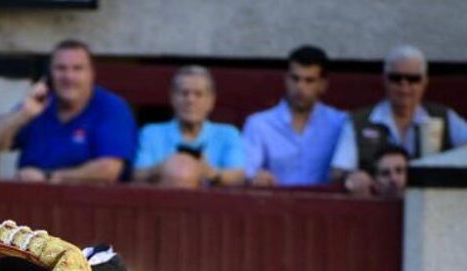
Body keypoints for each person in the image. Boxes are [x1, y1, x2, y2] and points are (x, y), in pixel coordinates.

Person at [0, 39, 137, 183]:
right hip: (30, 204)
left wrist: (49, 176)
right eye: (61, 68)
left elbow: (109, 169)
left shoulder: (110, 108)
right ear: (49, 74)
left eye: (77, 69)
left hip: (89, 206)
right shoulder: (39, 103)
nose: (69, 76)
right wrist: (22, 115)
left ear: (91, 74)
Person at [334, 45, 467, 195]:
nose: (404, 85)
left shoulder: (444, 117)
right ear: (384, 80)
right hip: (377, 207)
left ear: (424, 82)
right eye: (396, 78)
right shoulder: (359, 121)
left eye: (413, 79)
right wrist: (351, 178)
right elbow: (339, 171)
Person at [242, 46, 347, 186]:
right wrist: (256, 177)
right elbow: (247, 171)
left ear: (323, 85)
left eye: (309, 81)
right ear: (286, 79)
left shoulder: (340, 123)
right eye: (295, 79)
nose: (300, 87)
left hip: (325, 206)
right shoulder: (259, 124)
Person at [134, 65, 245, 188]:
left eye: (198, 94)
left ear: (211, 101)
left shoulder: (228, 134)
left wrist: (211, 173)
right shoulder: (151, 133)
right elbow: (136, 174)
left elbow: (239, 176)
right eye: (184, 93)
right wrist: (166, 168)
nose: (190, 100)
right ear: (172, 98)